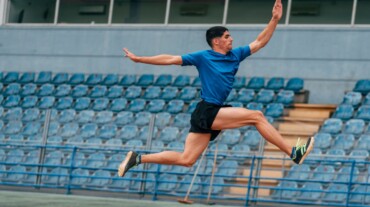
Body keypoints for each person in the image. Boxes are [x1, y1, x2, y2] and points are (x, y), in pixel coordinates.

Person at [118, 0, 314, 177]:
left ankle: (138, 158)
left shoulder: (235, 55)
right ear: (216, 41)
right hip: (208, 110)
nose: (232, 39)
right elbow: (169, 59)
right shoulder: (203, 56)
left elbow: (260, 41)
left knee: (187, 160)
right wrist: (139, 58)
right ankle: (293, 153)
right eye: (227, 36)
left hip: (209, 112)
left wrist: (274, 19)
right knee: (257, 116)